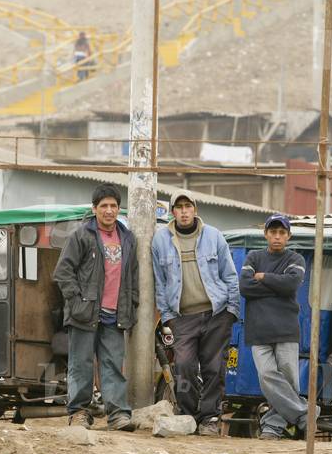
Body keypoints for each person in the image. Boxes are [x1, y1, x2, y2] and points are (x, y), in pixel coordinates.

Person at [151, 192, 240, 436]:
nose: (183, 211)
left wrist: (231, 310)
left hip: (216, 313)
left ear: (195, 209)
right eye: (178, 207)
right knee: (184, 365)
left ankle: (210, 417)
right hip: (182, 318)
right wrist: (168, 317)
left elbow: (230, 275)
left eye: (187, 206)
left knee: (214, 368)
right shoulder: (160, 241)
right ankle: (189, 415)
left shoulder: (214, 236)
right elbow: (160, 282)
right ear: (172, 212)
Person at [53, 184, 138, 431]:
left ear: (119, 209)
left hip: (115, 315)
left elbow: (133, 277)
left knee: (113, 365)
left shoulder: (128, 239)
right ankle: (78, 412)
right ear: (94, 209)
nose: (109, 211)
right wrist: (76, 301)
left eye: (113, 206)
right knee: (81, 365)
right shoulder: (81, 236)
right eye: (104, 206)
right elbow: (63, 271)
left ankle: (118, 415)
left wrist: (131, 304)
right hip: (84, 314)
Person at [238, 213, 309, 440]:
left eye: (281, 233)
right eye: (273, 232)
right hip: (258, 330)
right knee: (268, 376)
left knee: (288, 381)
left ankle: (272, 426)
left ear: (288, 236)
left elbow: (290, 285)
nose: (277, 236)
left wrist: (263, 277)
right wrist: (275, 282)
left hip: (287, 330)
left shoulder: (296, 258)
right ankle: (306, 415)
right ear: (266, 234)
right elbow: (245, 287)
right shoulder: (253, 256)